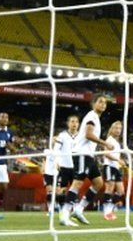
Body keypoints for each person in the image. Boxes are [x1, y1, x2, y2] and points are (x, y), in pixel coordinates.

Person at [61, 94, 110, 226]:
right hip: (82, 154)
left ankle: (79, 209)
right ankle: (64, 215)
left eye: (105, 103)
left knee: (98, 183)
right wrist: (104, 143)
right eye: (100, 102)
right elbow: (88, 134)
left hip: (88, 155)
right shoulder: (92, 116)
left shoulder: (96, 118)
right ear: (94, 103)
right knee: (77, 184)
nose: (103, 104)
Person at [53, 115, 80, 226]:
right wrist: (57, 161)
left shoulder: (81, 136)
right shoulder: (62, 136)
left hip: (76, 167)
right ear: (68, 123)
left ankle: (72, 214)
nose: (74, 124)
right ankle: (61, 213)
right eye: (72, 122)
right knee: (60, 191)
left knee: (74, 191)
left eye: (76, 122)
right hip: (64, 166)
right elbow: (56, 149)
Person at [101, 121, 126, 220]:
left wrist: (119, 163)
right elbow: (106, 154)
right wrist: (118, 160)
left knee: (121, 191)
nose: (118, 130)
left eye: (120, 128)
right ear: (112, 129)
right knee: (109, 188)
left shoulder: (117, 142)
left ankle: (109, 208)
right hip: (109, 166)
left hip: (116, 168)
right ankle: (107, 212)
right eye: (116, 128)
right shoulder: (109, 140)